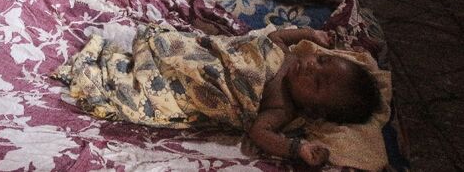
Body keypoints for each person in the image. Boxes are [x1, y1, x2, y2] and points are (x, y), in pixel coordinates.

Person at [55, 26, 383, 167]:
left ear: (314, 111)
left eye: (319, 84)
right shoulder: (291, 58)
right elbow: (274, 38)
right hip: (208, 57)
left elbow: (259, 132)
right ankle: (144, 52)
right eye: (322, 60)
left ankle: (120, 68)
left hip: (210, 85)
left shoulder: (281, 108)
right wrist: (309, 34)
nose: (311, 68)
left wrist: (298, 148)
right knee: (177, 46)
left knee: (150, 91)